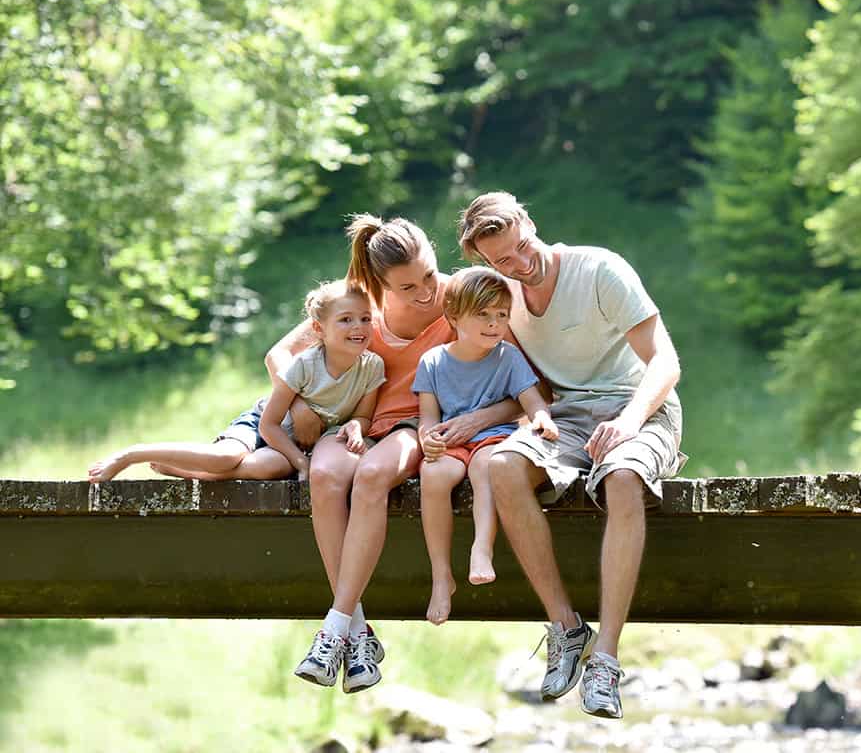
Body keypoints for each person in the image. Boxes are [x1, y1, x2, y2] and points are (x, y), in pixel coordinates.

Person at [458, 191, 684, 719]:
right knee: (502, 467)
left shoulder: (600, 268)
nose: (518, 264)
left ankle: (605, 658)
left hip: (641, 407)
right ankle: (565, 627)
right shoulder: (503, 297)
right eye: (501, 261)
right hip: (565, 416)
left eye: (521, 247)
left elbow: (666, 362)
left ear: (530, 222)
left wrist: (629, 421)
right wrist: (479, 419)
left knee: (623, 476)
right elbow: (530, 387)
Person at [276, 215, 521, 695]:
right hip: (358, 423)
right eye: (407, 286)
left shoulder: (463, 297)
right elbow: (279, 355)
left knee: (371, 477)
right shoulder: (357, 304)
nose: (426, 291)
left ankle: (333, 628)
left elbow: (523, 385)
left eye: (429, 274)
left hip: (419, 426)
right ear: (379, 283)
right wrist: (303, 403)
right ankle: (358, 633)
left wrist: (477, 420)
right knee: (323, 475)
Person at [86, 281, 383, 484]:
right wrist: (301, 461)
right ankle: (133, 454)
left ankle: (195, 474)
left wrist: (356, 426)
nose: (359, 327)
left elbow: (362, 416)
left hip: (288, 446)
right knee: (227, 456)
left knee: (273, 467)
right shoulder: (304, 366)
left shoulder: (372, 367)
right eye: (346, 320)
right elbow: (268, 425)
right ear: (319, 328)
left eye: (366, 319)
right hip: (263, 425)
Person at [412, 266, 558, 625]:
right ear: (454, 316)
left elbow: (532, 399)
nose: (494, 324)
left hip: (493, 438)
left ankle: (482, 548)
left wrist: (542, 418)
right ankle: (442, 574)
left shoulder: (507, 356)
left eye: (501, 315)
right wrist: (428, 440)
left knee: (486, 467)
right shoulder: (432, 361)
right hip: (451, 443)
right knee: (434, 475)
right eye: (483, 314)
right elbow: (427, 417)